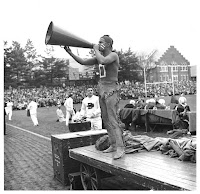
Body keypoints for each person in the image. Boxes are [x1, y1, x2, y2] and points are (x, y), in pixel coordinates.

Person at [64, 35, 124, 159]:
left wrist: (95, 49)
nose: (98, 44)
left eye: (101, 42)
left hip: (111, 89)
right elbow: (83, 62)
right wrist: (70, 52)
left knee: (113, 119)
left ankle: (120, 147)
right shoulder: (99, 56)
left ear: (108, 44)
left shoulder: (113, 55)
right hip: (102, 89)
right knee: (105, 119)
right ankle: (113, 144)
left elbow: (103, 61)